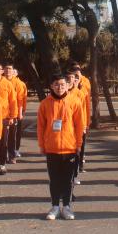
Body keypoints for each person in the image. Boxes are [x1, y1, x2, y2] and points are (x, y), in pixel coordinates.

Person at [38, 72, 86, 220]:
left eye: (63, 84)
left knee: (67, 180)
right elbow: (41, 126)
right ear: (51, 86)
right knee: (54, 179)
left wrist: (79, 144)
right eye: (57, 85)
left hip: (70, 148)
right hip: (52, 148)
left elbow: (79, 125)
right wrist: (42, 145)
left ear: (68, 85)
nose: (60, 87)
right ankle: (54, 207)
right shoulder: (45, 104)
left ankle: (66, 206)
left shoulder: (74, 102)